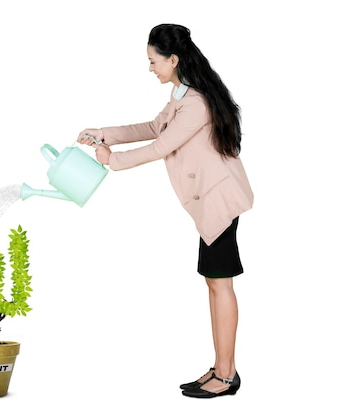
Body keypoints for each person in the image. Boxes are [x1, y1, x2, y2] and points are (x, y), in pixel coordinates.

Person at [77, 23, 253, 398]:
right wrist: (104, 133)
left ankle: (226, 375)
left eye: (154, 61)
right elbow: (154, 127)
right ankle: (222, 367)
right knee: (214, 283)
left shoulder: (195, 104)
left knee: (220, 285)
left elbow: (160, 147)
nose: (151, 68)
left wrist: (114, 160)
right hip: (209, 202)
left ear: (173, 59)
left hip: (218, 202)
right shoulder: (182, 94)